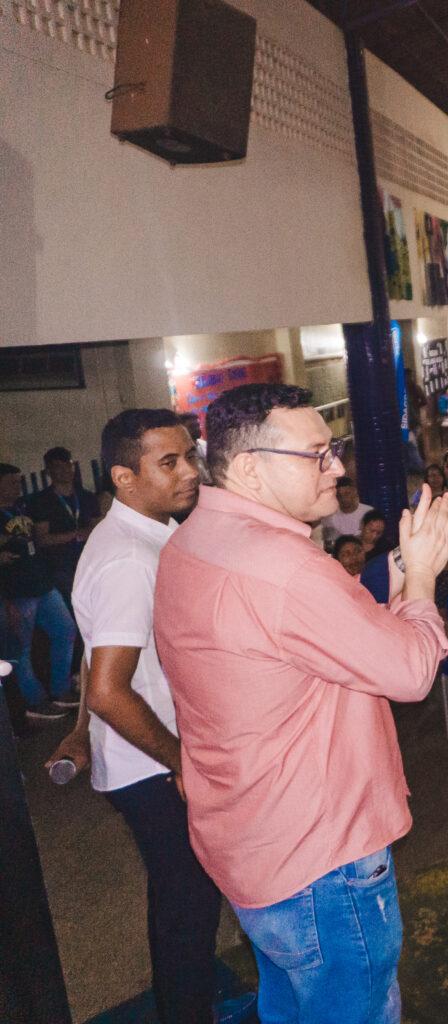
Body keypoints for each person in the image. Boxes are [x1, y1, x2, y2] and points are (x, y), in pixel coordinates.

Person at [154, 383, 448, 1023]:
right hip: (320, 860)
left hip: (251, 844)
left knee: (291, 1008)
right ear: (251, 466)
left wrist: (400, 565)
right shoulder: (284, 565)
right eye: (317, 454)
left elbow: (320, 636)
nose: (338, 466)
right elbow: (411, 671)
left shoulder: (191, 542)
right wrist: (422, 576)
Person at [42, 410, 253, 1024]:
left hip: (148, 760)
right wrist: (182, 761)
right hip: (153, 770)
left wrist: (82, 730)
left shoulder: (145, 537)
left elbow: (98, 655)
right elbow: (110, 689)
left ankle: (192, 1006)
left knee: (184, 903)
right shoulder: (129, 558)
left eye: (190, 455)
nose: (190, 471)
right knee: (187, 908)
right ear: (124, 477)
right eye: (170, 462)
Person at [0, 463, 78, 720]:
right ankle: (36, 702)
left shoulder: (23, 506)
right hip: (16, 591)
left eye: (18, 481)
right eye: (11, 482)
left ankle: (61, 689)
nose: (18, 485)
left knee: (65, 631)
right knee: (21, 649)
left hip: (41, 583)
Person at [29, 445, 101, 601]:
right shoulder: (40, 501)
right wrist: (77, 534)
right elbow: (43, 539)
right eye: (58, 467)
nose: (65, 470)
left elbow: (97, 528)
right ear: (48, 472)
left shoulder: (87, 496)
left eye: (68, 465)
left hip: (89, 562)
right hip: (60, 567)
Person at [320, 475, 372, 547]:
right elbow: (329, 545)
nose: (343, 498)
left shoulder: (369, 512)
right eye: (339, 495)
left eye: (347, 493)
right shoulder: (329, 517)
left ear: (355, 492)